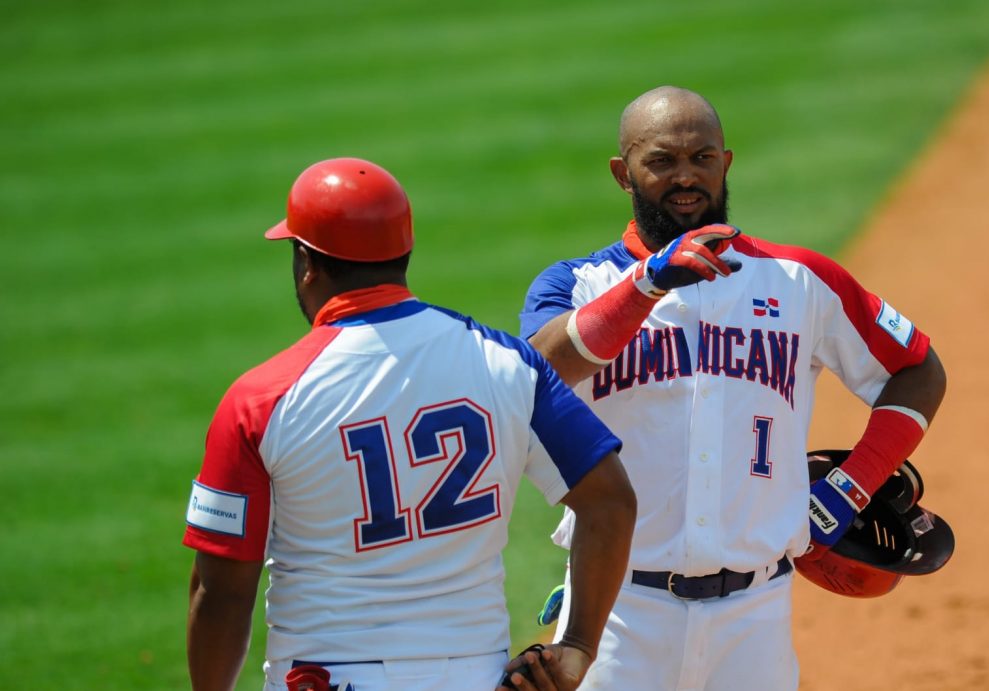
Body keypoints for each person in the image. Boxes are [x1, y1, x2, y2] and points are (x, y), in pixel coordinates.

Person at [518, 86, 946, 690]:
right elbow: (539, 372)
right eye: (661, 160)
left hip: (755, 619)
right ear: (623, 173)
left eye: (702, 158)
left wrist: (851, 487)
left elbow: (919, 370)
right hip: (617, 618)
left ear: (726, 163)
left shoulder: (798, 280)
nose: (685, 176)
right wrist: (645, 286)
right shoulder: (578, 285)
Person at [183, 157, 637, 691]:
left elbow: (220, 591)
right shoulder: (507, 362)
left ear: (306, 262)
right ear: (403, 250)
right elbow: (611, 501)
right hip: (475, 677)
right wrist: (577, 648)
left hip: (327, 677)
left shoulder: (261, 399)